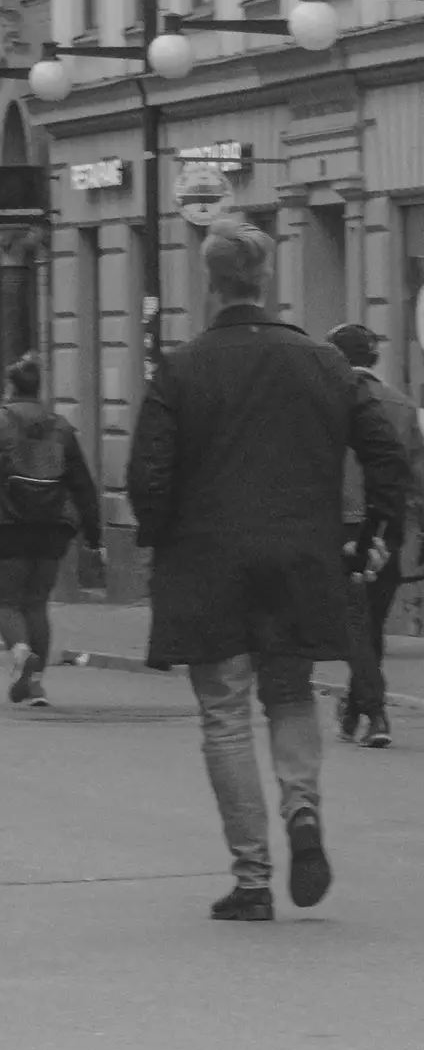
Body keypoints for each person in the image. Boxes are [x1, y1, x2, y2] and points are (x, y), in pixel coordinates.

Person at [129, 225, 408, 920]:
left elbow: (148, 476)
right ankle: (304, 813)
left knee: (224, 715)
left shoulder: (182, 368)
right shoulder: (323, 364)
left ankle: (252, 879)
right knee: (288, 693)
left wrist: (162, 538)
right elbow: (388, 455)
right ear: (266, 282)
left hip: (208, 560)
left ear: (210, 284)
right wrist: (372, 532)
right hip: (300, 558)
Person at [0, 355, 103, 707]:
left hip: (5, 527)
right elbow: (81, 483)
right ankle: (35, 685)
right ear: (39, 388)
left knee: (7, 602)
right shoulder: (61, 427)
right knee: (37, 603)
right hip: (51, 530)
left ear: (10, 387)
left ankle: (21, 653)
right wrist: (94, 533)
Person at [326, 323, 424, 747]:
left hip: (344, 526)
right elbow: (417, 474)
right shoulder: (403, 406)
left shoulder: (329, 403)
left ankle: (376, 711)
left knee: (353, 622)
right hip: (390, 527)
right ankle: (352, 712)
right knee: (370, 624)